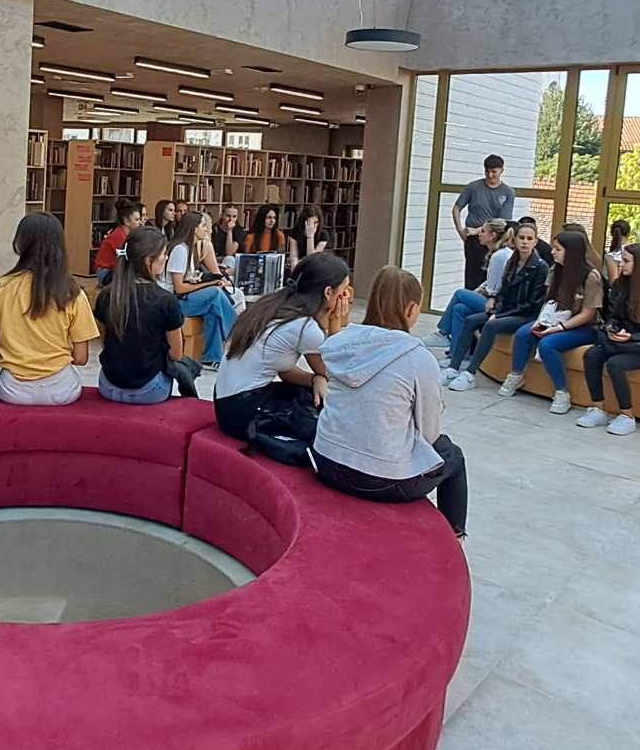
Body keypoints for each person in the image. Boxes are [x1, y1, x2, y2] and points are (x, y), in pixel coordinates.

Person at [313, 267, 468, 540]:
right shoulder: (418, 358)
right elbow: (429, 434)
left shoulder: (340, 342)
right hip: (379, 481)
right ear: (411, 309)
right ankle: (453, 540)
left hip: (325, 460)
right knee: (452, 455)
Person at [214, 253, 350, 442]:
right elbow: (336, 373)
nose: (347, 297)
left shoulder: (274, 305)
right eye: (344, 291)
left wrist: (314, 379)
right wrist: (336, 323)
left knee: (311, 395)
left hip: (227, 402)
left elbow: (284, 370)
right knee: (330, 423)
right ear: (328, 293)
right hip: (240, 412)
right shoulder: (305, 327)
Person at [0, 212, 100, 406]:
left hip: (12, 389)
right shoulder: (72, 292)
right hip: (61, 389)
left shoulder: (0, 287)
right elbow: (81, 358)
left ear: (20, 243)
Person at [499, 228, 604, 413]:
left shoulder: (591, 277)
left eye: (558, 249)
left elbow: (588, 314)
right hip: (556, 318)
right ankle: (516, 375)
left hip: (584, 327)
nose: (552, 252)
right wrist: (543, 321)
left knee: (548, 344)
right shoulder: (556, 270)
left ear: (571, 252)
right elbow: (549, 301)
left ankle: (562, 392)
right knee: (524, 333)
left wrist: (559, 328)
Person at [576, 242, 640, 436]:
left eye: (626, 261)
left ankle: (627, 415)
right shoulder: (621, 284)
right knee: (592, 355)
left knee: (615, 364)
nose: (621, 264)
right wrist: (612, 328)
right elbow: (612, 316)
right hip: (618, 340)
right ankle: (598, 408)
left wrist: (633, 336)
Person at [93, 225, 192, 404]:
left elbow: (104, 341)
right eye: (164, 254)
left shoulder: (106, 295)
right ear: (148, 260)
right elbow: (176, 354)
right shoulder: (165, 300)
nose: (166, 258)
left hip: (108, 385)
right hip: (148, 390)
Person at [446, 221, 544, 388]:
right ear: (515, 239)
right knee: (470, 320)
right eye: (521, 238)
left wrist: (498, 315)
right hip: (505, 310)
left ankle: (470, 373)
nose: (525, 242)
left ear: (535, 241)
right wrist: (496, 309)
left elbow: (533, 304)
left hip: (524, 315)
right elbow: (503, 291)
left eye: (529, 239)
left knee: (491, 325)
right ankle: (453, 368)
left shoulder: (541, 267)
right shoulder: (511, 262)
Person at [163, 211, 238, 368]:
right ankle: (238, 334)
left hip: (183, 298)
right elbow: (179, 288)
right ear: (193, 228)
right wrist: (209, 284)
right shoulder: (180, 250)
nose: (206, 229)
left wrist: (206, 280)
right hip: (172, 302)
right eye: (203, 226)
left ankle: (212, 357)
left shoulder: (189, 249)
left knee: (214, 309)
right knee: (215, 293)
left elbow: (187, 281)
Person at [433, 219, 510, 356]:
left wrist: (479, 292)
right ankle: (456, 354)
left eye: (483, 231)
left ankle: (443, 332)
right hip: (495, 299)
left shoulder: (499, 256)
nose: (479, 234)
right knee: (459, 309)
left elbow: (493, 289)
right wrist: (479, 290)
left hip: (499, 305)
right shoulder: (499, 253)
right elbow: (490, 281)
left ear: (492, 235)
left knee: (460, 293)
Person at [450, 155, 516, 290]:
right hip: (474, 239)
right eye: (487, 171)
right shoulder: (473, 187)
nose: (490, 175)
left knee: (489, 275)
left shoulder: (508, 192)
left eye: (494, 172)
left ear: (501, 171)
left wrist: (478, 230)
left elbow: (503, 220)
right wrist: (460, 230)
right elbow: (456, 208)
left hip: (494, 238)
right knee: (472, 275)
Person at [93, 199, 141, 286]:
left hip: (113, 270)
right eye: (137, 220)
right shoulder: (119, 236)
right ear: (126, 221)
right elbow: (127, 260)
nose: (140, 223)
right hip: (105, 273)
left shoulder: (126, 234)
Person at [605, 218, 634, 283]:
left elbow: (613, 281)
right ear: (628, 234)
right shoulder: (635, 251)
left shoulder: (611, 256)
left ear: (612, 234)